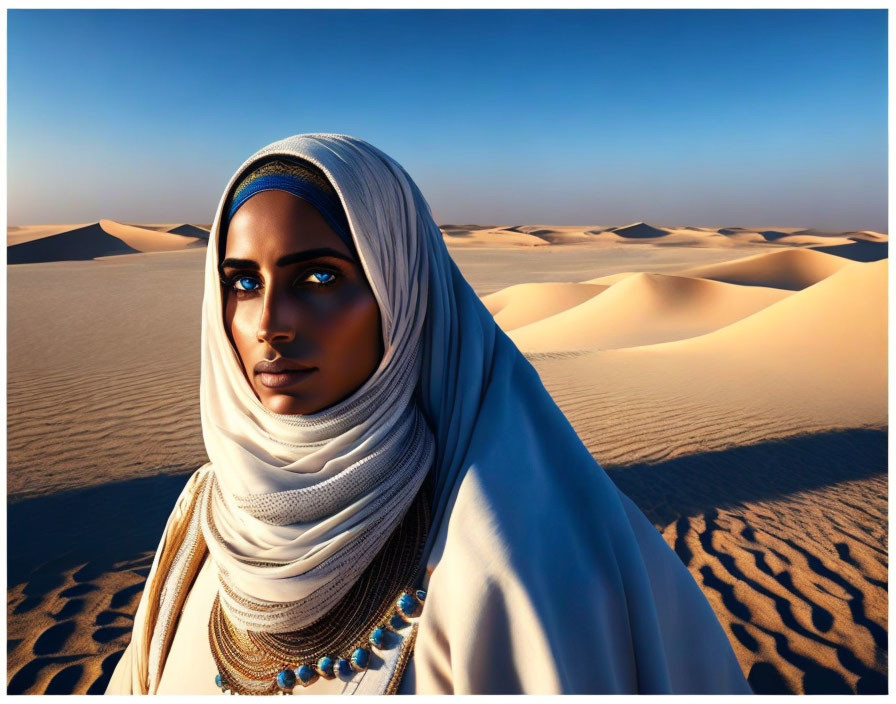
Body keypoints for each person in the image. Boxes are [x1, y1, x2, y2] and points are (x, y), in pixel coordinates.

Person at [105, 133, 752, 695]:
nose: (269, 323)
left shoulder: (504, 565)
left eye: (320, 279)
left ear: (401, 294)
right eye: (243, 283)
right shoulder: (201, 520)